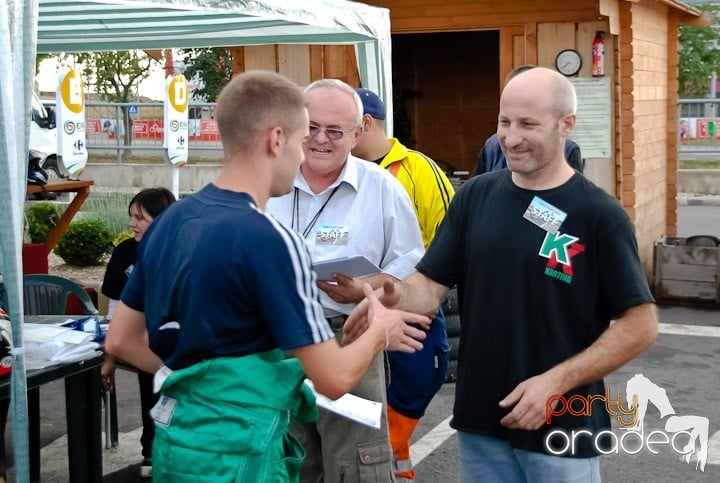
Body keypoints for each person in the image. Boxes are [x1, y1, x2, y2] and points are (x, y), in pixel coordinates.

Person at [104, 71, 430, 482]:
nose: (306, 152)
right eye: (302, 137)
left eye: (333, 131)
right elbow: (333, 379)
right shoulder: (271, 238)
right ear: (277, 140)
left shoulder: (172, 221)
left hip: (183, 441)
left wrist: (200, 382)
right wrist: (379, 328)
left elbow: (120, 340)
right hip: (246, 450)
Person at [344, 67, 658, 482]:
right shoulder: (476, 196)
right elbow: (429, 286)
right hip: (480, 420)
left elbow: (641, 323)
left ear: (567, 125)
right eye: (504, 122)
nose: (510, 137)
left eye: (528, 124)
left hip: (562, 426)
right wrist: (386, 293)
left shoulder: (599, 214)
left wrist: (557, 381)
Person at [266, 78, 425, 482]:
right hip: (277, 345)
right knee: (287, 459)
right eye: (312, 126)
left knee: (356, 465)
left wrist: (369, 286)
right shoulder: (267, 183)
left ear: (357, 134)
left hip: (351, 339)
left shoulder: (383, 189)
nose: (320, 139)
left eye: (335, 131)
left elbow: (412, 270)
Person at [352, 87, 454, 481]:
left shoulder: (418, 169)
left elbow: (447, 238)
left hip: (410, 303)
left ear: (363, 125)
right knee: (356, 389)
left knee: (416, 380)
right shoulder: (337, 171)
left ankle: (387, 454)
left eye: (341, 127)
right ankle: (384, 461)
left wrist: (415, 288)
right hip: (353, 309)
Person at [100, 186, 176, 479]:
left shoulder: (184, 252)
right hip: (143, 345)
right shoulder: (126, 252)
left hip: (182, 348)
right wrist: (110, 356)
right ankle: (152, 449)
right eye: (131, 216)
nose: (132, 224)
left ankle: (173, 453)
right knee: (152, 393)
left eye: (140, 217)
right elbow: (115, 311)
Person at [472, 65, 584, 176]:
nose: (511, 141)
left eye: (527, 124)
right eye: (505, 122)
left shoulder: (568, 149)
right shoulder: (492, 146)